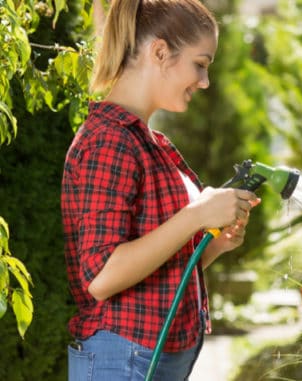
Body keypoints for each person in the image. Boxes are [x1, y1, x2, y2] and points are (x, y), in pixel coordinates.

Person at [61, 1, 259, 379]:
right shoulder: (109, 142)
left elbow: (157, 273)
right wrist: (197, 215)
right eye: (200, 64)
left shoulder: (152, 144)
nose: (205, 81)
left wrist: (213, 243)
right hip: (121, 360)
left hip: (148, 357)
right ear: (160, 52)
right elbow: (101, 277)